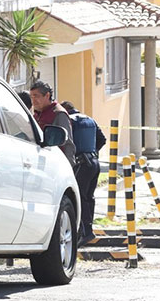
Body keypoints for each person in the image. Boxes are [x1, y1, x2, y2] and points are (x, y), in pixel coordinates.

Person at [61, 101, 107, 247]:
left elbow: (67, 141)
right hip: (94, 163)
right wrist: (93, 150)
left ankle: (83, 231)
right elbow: (102, 139)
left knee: (79, 197)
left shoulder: (70, 121)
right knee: (89, 197)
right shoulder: (90, 119)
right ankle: (88, 228)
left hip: (81, 163)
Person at [30, 81, 76, 167]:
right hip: (39, 161)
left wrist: (68, 166)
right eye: (31, 97)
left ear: (47, 95)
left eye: (36, 96)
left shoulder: (59, 114)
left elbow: (68, 143)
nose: (33, 101)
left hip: (55, 164)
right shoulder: (36, 114)